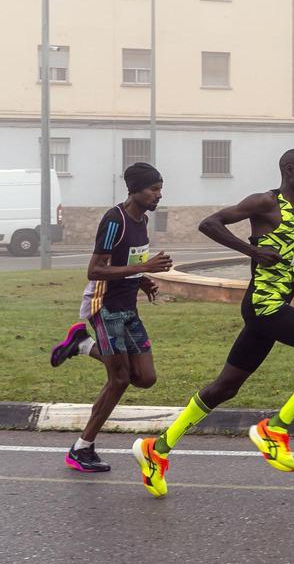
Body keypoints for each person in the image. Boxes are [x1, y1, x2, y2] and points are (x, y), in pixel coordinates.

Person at [130, 149, 294, 498]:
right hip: (265, 306)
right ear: (290, 171)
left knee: (225, 387)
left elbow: (286, 253)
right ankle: (274, 430)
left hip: (271, 308)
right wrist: (252, 253)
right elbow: (209, 224)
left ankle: (157, 449)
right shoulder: (264, 202)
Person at [50, 163, 172, 473]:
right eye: (153, 189)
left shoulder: (141, 220)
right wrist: (143, 269)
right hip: (104, 306)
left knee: (144, 377)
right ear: (135, 190)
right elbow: (94, 270)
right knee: (119, 379)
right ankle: (82, 448)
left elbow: (130, 260)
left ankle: (81, 344)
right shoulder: (114, 220)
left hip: (128, 307)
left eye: (160, 188)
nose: (159, 194)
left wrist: (143, 281)